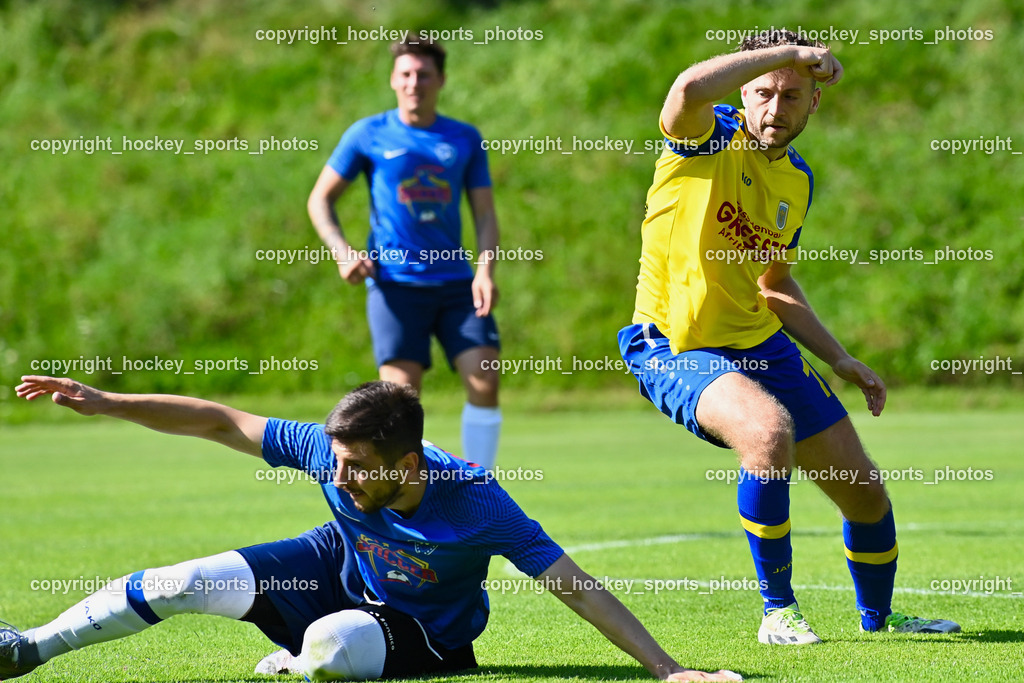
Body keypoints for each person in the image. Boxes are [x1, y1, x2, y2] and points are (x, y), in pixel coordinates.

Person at [4, 375, 741, 682]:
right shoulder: (332, 454)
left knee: (330, 650)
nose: (341, 476)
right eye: (337, 462)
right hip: (335, 566)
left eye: (359, 467)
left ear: (409, 461)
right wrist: (106, 400)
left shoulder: (478, 504)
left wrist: (669, 671)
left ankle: (295, 658)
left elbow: (574, 586)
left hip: (425, 633)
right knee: (180, 581)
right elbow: (219, 419)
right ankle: (28, 648)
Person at [617, 29, 959, 645]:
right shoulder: (705, 137)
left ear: (814, 104)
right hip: (673, 343)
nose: (775, 109)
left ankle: (882, 620)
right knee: (767, 435)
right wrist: (790, 57)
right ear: (744, 92)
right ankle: (778, 612)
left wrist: (840, 357)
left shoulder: (796, 180)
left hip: (762, 342)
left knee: (864, 494)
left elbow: (774, 286)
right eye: (763, 93)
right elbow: (687, 88)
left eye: (792, 96)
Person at [307, 34, 502, 469]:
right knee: (399, 407)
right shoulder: (367, 134)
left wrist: (485, 272)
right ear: (394, 80)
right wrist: (342, 251)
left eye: (424, 74)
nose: (415, 82)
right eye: (407, 74)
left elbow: (485, 213)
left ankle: (483, 487)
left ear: (441, 80)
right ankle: (415, 496)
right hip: (395, 287)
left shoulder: (464, 138)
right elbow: (320, 199)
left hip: (457, 286)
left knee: (484, 380)